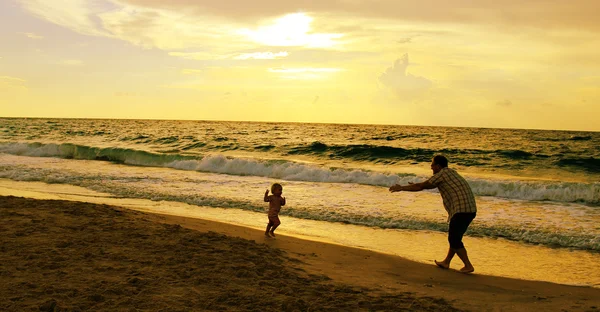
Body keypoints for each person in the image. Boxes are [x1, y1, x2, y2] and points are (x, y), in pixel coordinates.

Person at [389, 155, 477, 273]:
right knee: (455, 237)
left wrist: (402, 188)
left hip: (462, 210)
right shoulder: (450, 173)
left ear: (438, 166)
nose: (431, 167)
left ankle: (468, 265)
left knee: (454, 239)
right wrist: (418, 185)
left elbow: (422, 186)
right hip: (470, 209)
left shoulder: (441, 174)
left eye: (432, 164)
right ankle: (446, 262)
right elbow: (426, 185)